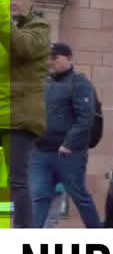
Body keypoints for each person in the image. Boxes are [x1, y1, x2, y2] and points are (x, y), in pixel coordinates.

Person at [29, 43, 102, 228]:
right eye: (49, 58)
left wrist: (69, 143)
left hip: (69, 153)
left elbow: (85, 118)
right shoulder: (45, 83)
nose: (51, 61)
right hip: (41, 152)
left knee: (80, 197)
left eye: (56, 57)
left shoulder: (79, 82)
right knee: (40, 197)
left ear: (69, 59)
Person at [0, 0, 50, 228]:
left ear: (31, 2)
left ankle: (23, 231)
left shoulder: (39, 29)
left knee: (16, 180)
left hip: (19, 117)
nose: (12, 2)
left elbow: (20, 47)